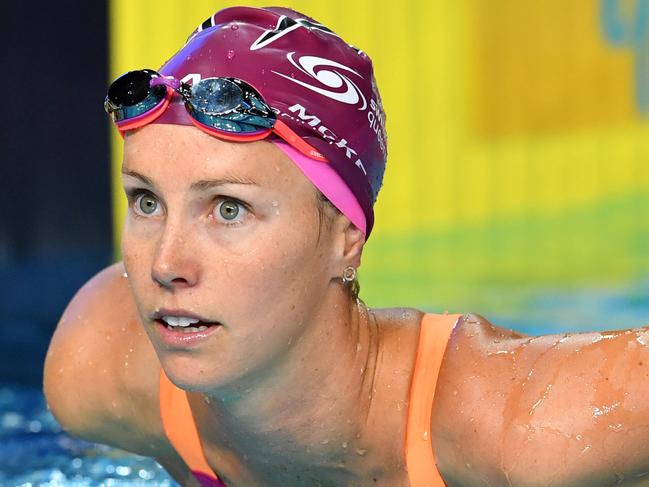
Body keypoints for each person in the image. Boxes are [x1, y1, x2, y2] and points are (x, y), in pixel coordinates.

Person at [43, 6, 649, 487]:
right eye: (146, 201)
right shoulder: (100, 369)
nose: (165, 265)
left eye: (229, 209)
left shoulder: (522, 428)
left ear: (345, 239)